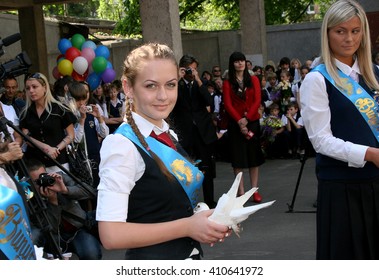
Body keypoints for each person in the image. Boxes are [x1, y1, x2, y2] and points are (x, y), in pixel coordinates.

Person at [96, 43, 231, 260]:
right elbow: (111, 235)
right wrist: (188, 227)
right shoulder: (121, 145)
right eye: (150, 86)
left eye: (170, 85)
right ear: (128, 87)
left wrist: (204, 220)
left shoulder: (167, 133)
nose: (163, 96)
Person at [300, 0, 379, 260]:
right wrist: (369, 154)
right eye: (340, 31)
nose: (349, 38)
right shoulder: (317, 79)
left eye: (355, 31)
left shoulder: (374, 75)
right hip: (342, 190)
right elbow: (321, 141)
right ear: (327, 33)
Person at [26, 158, 102, 260]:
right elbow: (50, 228)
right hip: (53, 238)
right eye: (37, 181)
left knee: (92, 255)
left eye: (43, 176)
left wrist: (65, 190)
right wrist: (53, 202)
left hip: (77, 230)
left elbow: (90, 192)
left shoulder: (59, 178)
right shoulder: (29, 198)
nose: (43, 182)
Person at [170, 54, 219, 208]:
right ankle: (188, 203)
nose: (192, 72)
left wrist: (198, 80)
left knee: (207, 169)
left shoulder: (201, 84)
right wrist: (177, 79)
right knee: (186, 169)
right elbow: (170, 101)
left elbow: (210, 102)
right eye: (189, 69)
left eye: (194, 69)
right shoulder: (175, 85)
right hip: (185, 133)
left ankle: (210, 201)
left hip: (203, 132)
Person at [223, 51, 265, 203]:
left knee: (253, 158)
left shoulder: (253, 79)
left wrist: (246, 119)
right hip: (235, 124)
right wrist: (240, 121)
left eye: (242, 60)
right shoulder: (227, 82)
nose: (240, 63)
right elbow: (227, 104)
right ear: (232, 64)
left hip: (252, 121)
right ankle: (241, 192)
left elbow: (257, 100)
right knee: (238, 159)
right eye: (236, 61)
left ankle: (254, 191)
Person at [19, 73, 76, 173]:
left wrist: (56, 149)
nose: (31, 91)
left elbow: (71, 135)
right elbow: (26, 136)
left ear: (45, 88)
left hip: (59, 162)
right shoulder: (25, 113)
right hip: (36, 165)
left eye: (35, 87)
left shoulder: (60, 109)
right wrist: (46, 147)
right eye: (28, 88)